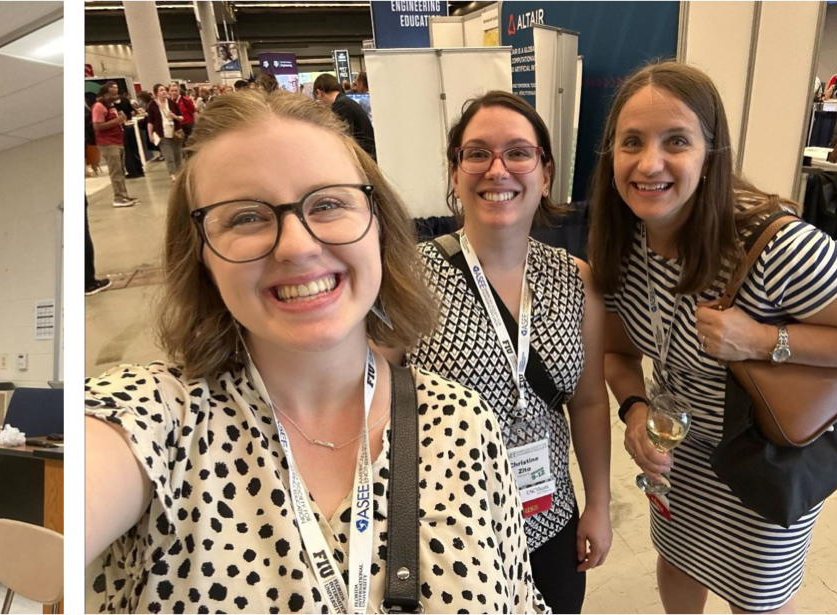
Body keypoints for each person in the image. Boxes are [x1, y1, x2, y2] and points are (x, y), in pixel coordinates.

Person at [85, 88, 547, 613]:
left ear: (379, 225)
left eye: (327, 203)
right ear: (201, 259)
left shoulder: (464, 425)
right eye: (245, 217)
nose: (297, 246)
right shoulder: (161, 421)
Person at [589, 60, 837, 615]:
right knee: (679, 559)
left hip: (761, 460)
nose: (649, 162)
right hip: (677, 454)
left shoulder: (774, 247)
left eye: (676, 140)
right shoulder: (624, 240)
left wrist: (765, 341)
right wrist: (635, 409)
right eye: (631, 141)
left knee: (754, 597)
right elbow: (617, 350)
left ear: (711, 154)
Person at [402, 91, 611, 614]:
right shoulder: (409, 281)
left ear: (544, 173)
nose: (498, 170)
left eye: (518, 153)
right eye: (477, 153)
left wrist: (599, 505)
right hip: (450, 534)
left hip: (550, 519)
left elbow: (586, 404)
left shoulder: (574, 280)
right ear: (455, 173)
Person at [92, 83, 138, 207]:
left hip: (117, 141)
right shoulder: (99, 107)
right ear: (105, 94)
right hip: (108, 143)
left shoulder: (110, 106)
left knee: (121, 170)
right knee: (115, 171)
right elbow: (97, 126)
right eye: (113, 94)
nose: (116, 96)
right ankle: (118, 197)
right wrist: (117, 121)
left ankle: (123, 194)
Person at [313, 73, 377, 162]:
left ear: (318, 92)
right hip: (368, 156)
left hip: (364, 160)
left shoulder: (340, 105)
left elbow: (344, 137)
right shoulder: (345, 101)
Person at [147, 83, 184, 181]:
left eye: (164, 90)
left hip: (175, 133)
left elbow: (181, 118)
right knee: (169, 156)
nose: (164, 92)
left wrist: (175, 117)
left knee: (178, 155)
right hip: (162, 134)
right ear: (156, 93)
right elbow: (150, 121)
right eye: (161, 90)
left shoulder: (172, 103)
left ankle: (180, 173)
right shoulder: (152, 105)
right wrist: (150, 134)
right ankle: (173, 175)